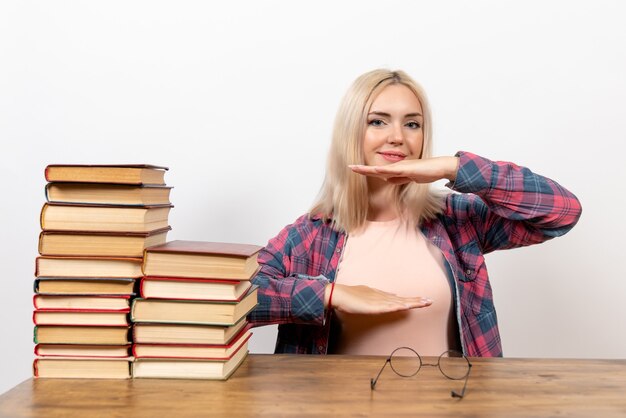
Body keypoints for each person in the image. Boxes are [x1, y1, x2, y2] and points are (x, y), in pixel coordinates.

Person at [247, 69, 582, 357]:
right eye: (377, 121)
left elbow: (561, 212)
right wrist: (331, 294)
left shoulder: (456, 220)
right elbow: (237, 299)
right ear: (351, 132)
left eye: (412, 124)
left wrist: (453, 167)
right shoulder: (308, 236)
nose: (397, 137)